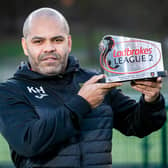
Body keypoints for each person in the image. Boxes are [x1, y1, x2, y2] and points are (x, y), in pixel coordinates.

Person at [0, 7, 166, 168]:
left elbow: (137, 125)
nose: (49, 47)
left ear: (69, 42)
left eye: (57, 40)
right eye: (38, 41)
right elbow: (28, 142)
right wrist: (82, 103)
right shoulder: (10, 91)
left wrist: (151, 100)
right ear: (25, 45)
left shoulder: (95, 80)